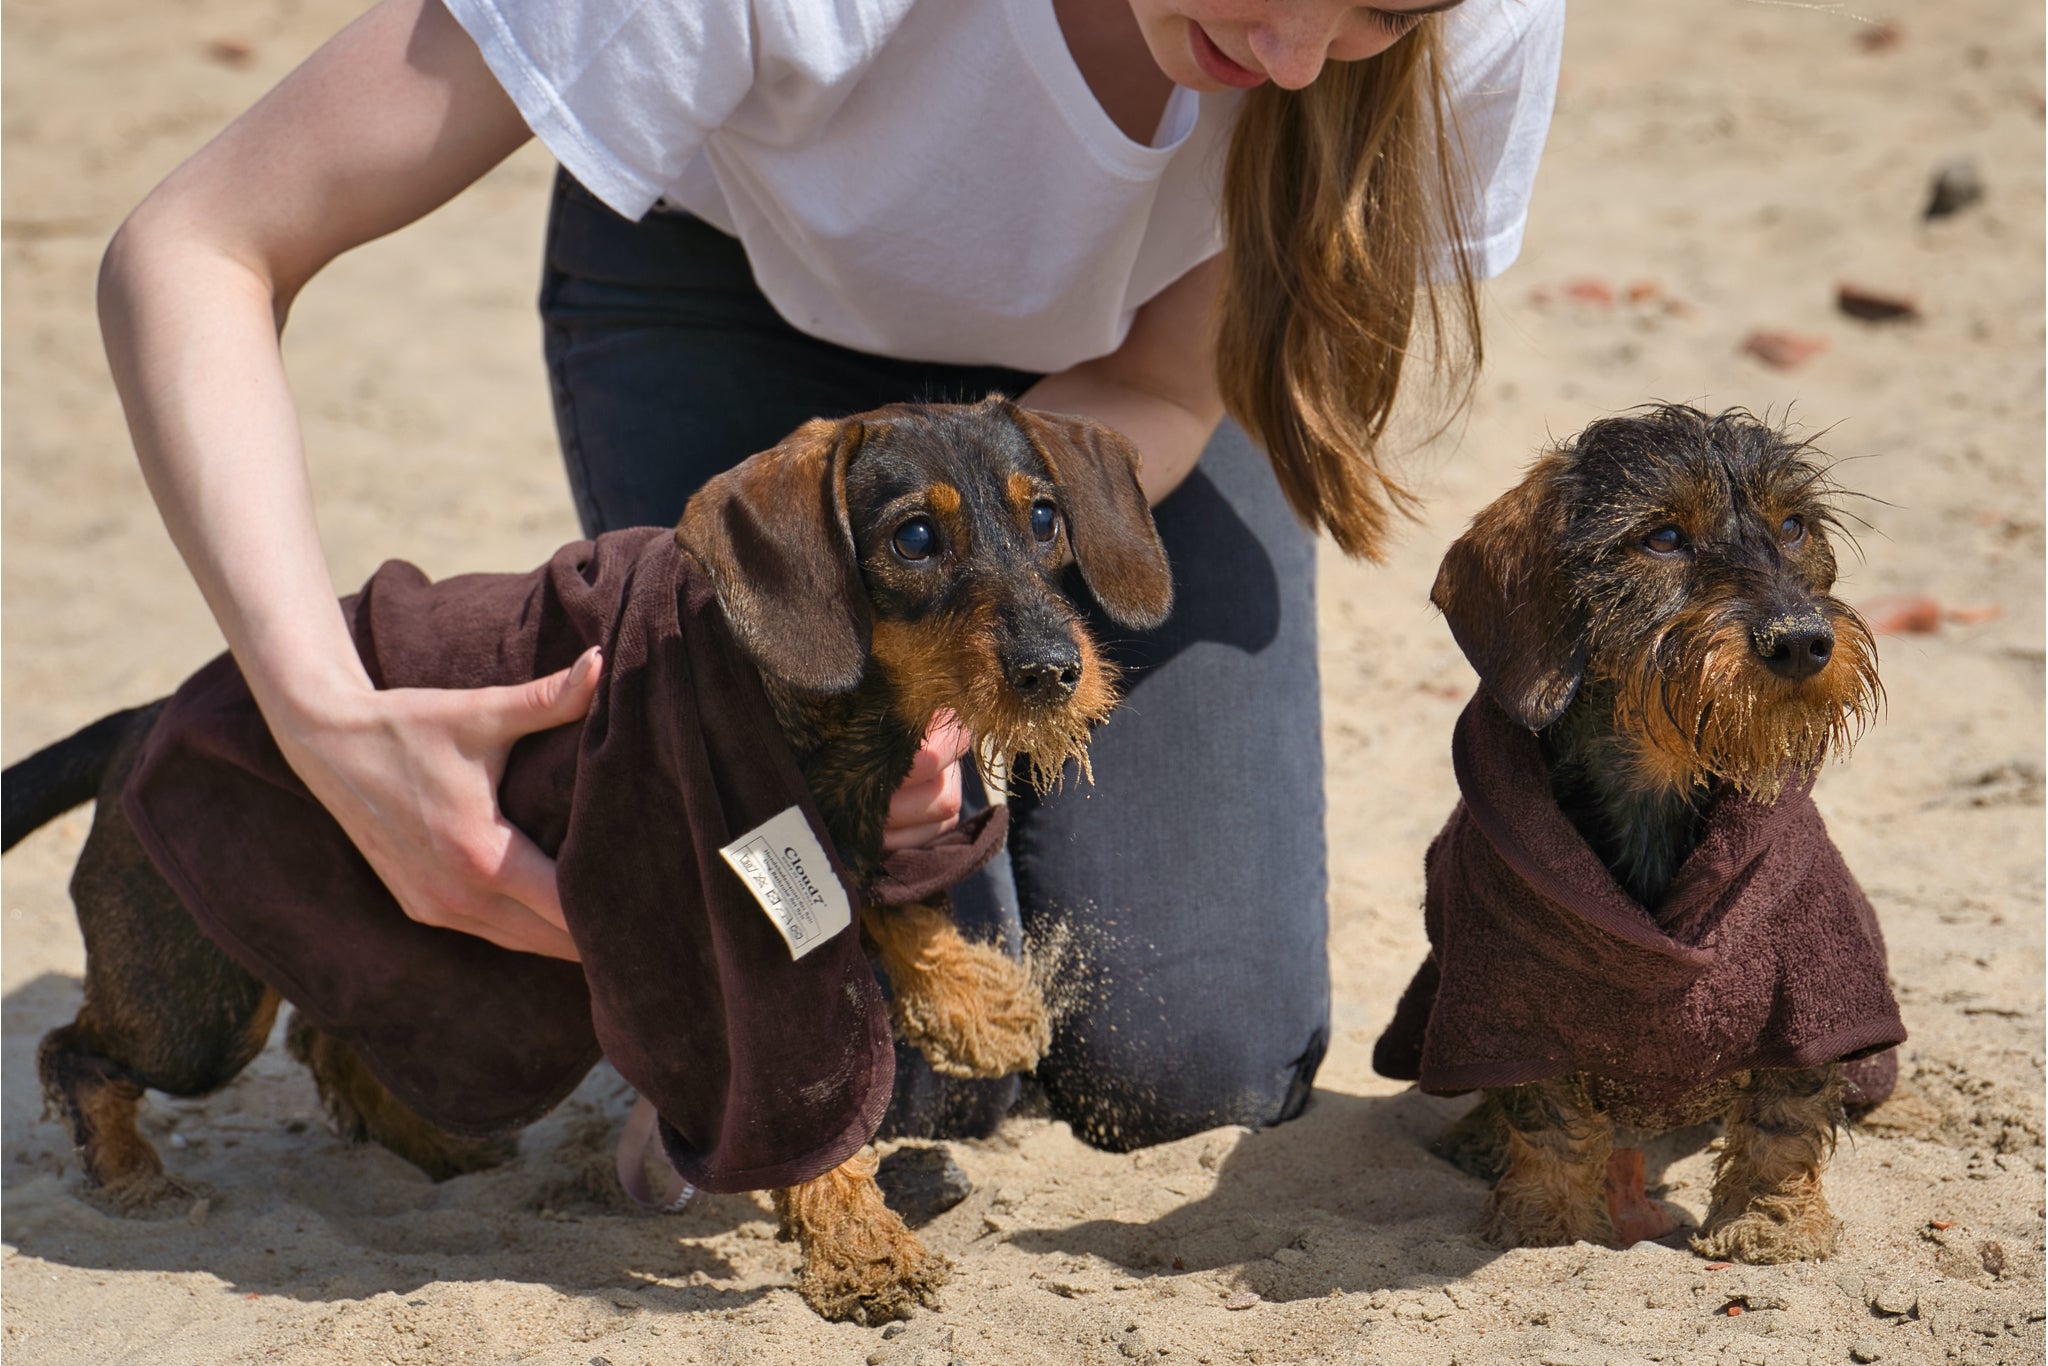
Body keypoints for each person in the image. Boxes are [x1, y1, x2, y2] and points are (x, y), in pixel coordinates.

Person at [97, 0, 1565, 1150]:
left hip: (1114, 396)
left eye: (1383, 6)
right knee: (886, 1069)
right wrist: (326, 722)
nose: (1302, 57)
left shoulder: (1410, 32)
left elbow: (1171, 378)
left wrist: (983, 584)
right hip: (738, 300)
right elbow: (195, 244)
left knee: (1197, 1064)